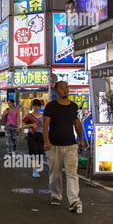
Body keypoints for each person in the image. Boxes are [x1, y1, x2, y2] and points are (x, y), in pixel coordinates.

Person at [43, 81, 84, 213]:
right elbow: (45, 126)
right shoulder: (51, 107)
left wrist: (81, 138)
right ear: (56, 91)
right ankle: (56, 195)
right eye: (62, 88)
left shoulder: (73, 106)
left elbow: (76, 123)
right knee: (55, 173)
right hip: (54, 145)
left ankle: (74, 200)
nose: (65, 90)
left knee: (72, 172)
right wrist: (46, 142)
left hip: (70, 145)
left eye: (67, 87)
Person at [22, 99, 44, 178]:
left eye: (38, 105)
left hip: (41, 136)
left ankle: (37, 168)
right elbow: (23, 125)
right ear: (32, 106)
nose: (36, 107)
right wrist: (31, 125)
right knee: (33, 152)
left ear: (40, 106)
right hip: (32, 135)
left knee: (40, 153)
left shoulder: (44, 116)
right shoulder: (29, 116)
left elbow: (46, 128)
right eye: (34, 105)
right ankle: (34, 170)